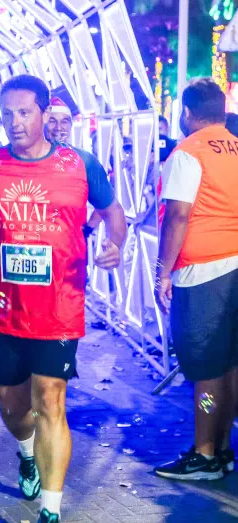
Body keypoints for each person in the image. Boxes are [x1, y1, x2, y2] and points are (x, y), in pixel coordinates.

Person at [0, 75, 126, 523]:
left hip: (60, 306)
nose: (15, 123)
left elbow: (114, 214)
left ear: (45, 113)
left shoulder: (80, 164)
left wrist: (114, 245)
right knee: (13, 408)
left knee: (50, 399)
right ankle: (26, 453)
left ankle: (49, 513)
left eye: (24, 112)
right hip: (5, 307)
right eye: (6, 114)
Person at [154, 78, 238, 481]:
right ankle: (222, 450)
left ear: (187, 113)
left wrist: (162, 271)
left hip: (204, 270)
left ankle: (203, 454)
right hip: (235, 265)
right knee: (230, 364)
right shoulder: (236, 146)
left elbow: (178, 215)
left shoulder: (188, 153)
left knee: (205, 366)